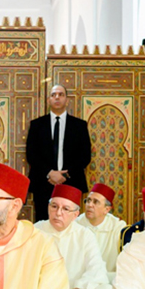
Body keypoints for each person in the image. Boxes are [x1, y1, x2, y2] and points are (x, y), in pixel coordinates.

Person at [34, 184, 112, 289]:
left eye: (65, 209)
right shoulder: (36, 231)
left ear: (75, 215)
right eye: (54, 206)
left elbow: (97, 270)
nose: (58, 213)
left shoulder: (84, 235)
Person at [25, 84, 91, 222]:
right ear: (48, 100)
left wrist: (65, 175)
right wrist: (50, 173)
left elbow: (85, 156)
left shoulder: (79, 126)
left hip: (71, 182)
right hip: (43, 183)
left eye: (61, 94)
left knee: (69, 223)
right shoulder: (37, 125)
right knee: (43, 224)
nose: (57, 97)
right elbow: (31, 154)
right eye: (53, 95)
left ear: (67, 100)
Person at [76, 182, 126, 281]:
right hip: (80, 280)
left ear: (106, 209)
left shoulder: (118, 228)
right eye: (88, 200)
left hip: (108, 280)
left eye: (96, 202)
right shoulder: (76, 225)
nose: (90, 205)